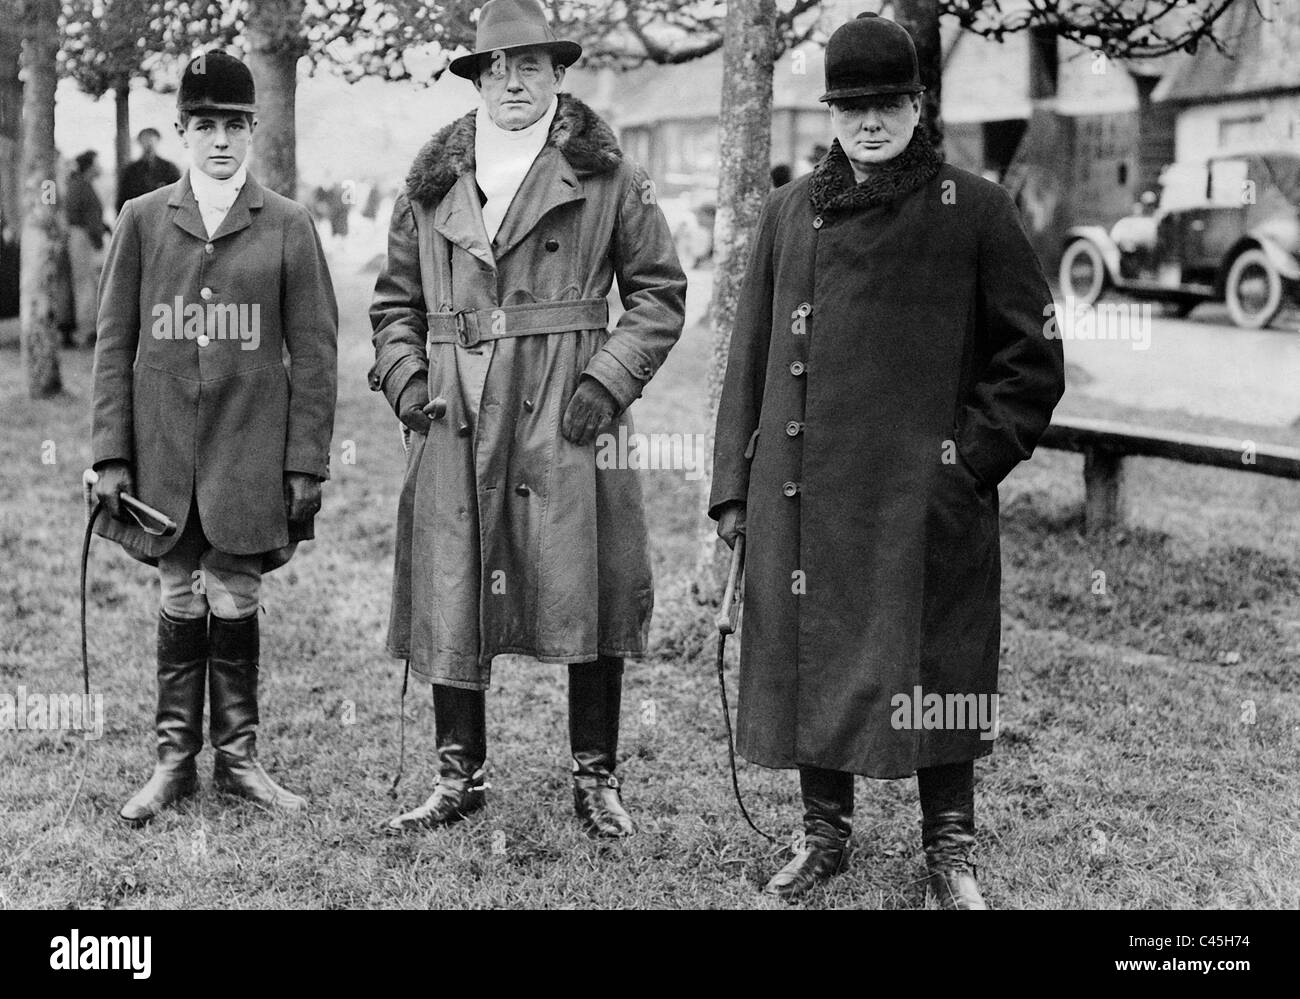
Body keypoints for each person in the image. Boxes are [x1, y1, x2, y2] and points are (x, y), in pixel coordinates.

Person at [710, 12, 1065, 907]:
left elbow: (1032, 359)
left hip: (923, 498)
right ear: (830, 112)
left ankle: (950, 848)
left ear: (919, 105)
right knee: (811, 655)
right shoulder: (792, 212)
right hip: (804, 492)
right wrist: (733, 494)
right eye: (852, 107)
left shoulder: (974, 208)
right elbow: (748, 359)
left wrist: (966, 466)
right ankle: (822, 833)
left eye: (889, 104)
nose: (870, 123)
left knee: (938, 664)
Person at [370, 0, 686, 839]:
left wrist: (608, 380)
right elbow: (393, 303)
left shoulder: (608, 171)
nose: (513, 82)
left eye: (530, 66)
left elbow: (659, 293)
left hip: (568, 406)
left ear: (557, 74)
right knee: (453, 579)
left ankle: (596, 775)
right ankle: (458, 774)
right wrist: (407, 382)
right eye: (496, 68)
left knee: (592, 578)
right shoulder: (430, 180)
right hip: (456, 407)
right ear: (476, 79)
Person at [91, 51, 339, 825]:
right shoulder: (141, 219)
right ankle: (173, 761)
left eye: (234, 125)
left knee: (235, 589)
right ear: (182, 131)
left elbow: (317, 351)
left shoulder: (290, 225)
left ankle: (238, 758)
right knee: (176, 587)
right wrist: (109, 452)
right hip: (163, 449)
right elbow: (111, 343)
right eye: (204, 125)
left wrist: (305, 459)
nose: (220, 141)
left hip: (249, 448)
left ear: (254, 129)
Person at [66, 150, 110, 346]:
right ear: (90, 166)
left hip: (86, 236)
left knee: (88, 282)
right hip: (83, 236)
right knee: (85, 283)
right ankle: (87, 330)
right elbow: (84, 216)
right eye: (97, 163)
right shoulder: (80, 186)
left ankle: (89, 328)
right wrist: (98, 235)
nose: (100, 167)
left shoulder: (83, 185)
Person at [116, 127, 181, 212]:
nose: (149, 144)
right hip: (138, 216)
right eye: (145, 139)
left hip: (163, 216)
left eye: (152, 140)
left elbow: (179, 196)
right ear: (139, 142)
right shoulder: (130, 171)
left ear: (158, 141)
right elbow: (122, 200)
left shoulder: (169, 168)